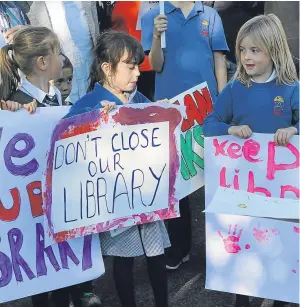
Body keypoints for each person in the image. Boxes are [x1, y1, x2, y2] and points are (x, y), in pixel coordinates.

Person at [66, 31, 170, 307]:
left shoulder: (139, 99)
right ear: (107, 68)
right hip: (115, 201)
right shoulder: (89, 103)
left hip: (148, 194)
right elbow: (64, 135)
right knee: (124, 260)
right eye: (131, 66)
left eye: (138, 65)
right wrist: (95, 120)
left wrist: (166, 114)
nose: (138, 72)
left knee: (156, 256)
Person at [0, 26, 101, 307]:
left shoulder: (56, 97)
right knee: (41, 272)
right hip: (33, 207)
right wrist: (12, 113)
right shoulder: (15, 105)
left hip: (58, 199)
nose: (61, 58)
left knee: (61, 267)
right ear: (43, 63)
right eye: (57, 53)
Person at [203, 14, 299, 307]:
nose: (246, 57)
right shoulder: (234, 89)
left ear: (274, 49)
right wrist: (229, 129)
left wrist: (293, 129)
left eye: (255, 50)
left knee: (281, 252)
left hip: (281, 194)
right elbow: (210, 123)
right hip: (244, 193)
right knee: (245, 254)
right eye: (242, 50)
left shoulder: (291, 88)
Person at [141, 0, 229, 270]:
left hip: (208, 109)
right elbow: (155, 65)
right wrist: (156, 36)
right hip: (173, 112)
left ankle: (224, 249)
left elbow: (219, 61)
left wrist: (224, 105)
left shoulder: (210, 15)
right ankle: (180, 248)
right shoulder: (153, 16)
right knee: (179, 183)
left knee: (216, 180)